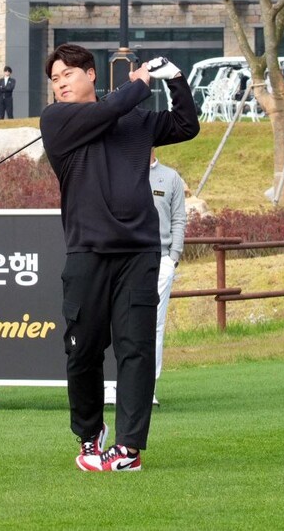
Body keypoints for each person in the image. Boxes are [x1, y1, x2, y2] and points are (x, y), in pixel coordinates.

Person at [40, 44, 198, 472]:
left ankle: (128, 448)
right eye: (54, 80)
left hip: (138, 252)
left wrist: (176, 79)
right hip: (87, 251)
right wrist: (140, 82)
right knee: (83, 348)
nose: (60, 84)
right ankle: (90, 434)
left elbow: (186, 125)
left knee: (135, 349)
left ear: (91, 74)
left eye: (67, 74)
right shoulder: (57, 121)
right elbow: (109, 110)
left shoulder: (133, 120)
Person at [106, 149, 187, 406]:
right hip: (125, 258)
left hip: (161, 259)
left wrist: (173, 257)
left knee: (154, 325)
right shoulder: (120, 172)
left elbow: (178, 219)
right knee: (115, 321)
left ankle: (145, 388)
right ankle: (111, 386)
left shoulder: (170, 177)